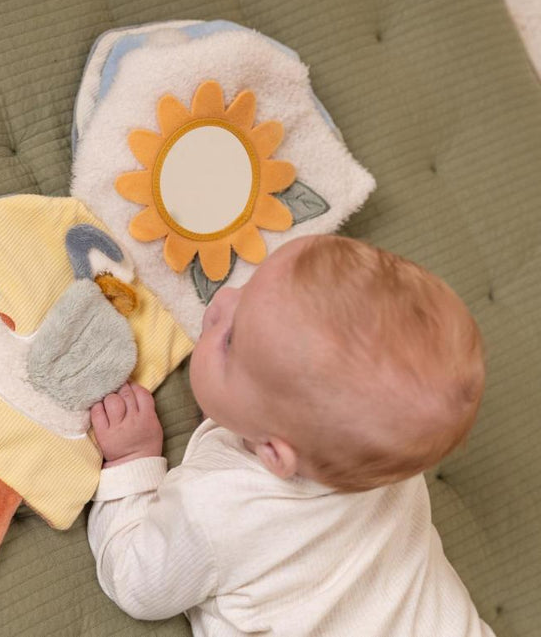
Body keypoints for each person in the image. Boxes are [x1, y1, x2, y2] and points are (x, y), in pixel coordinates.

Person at [87, 234, 494, 636]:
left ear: (274, 453)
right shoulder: (385, 456)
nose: (220, 302)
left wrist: (132, 460)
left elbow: (136, 582)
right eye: (249, 286)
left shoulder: (216, 507)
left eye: (230, 342)